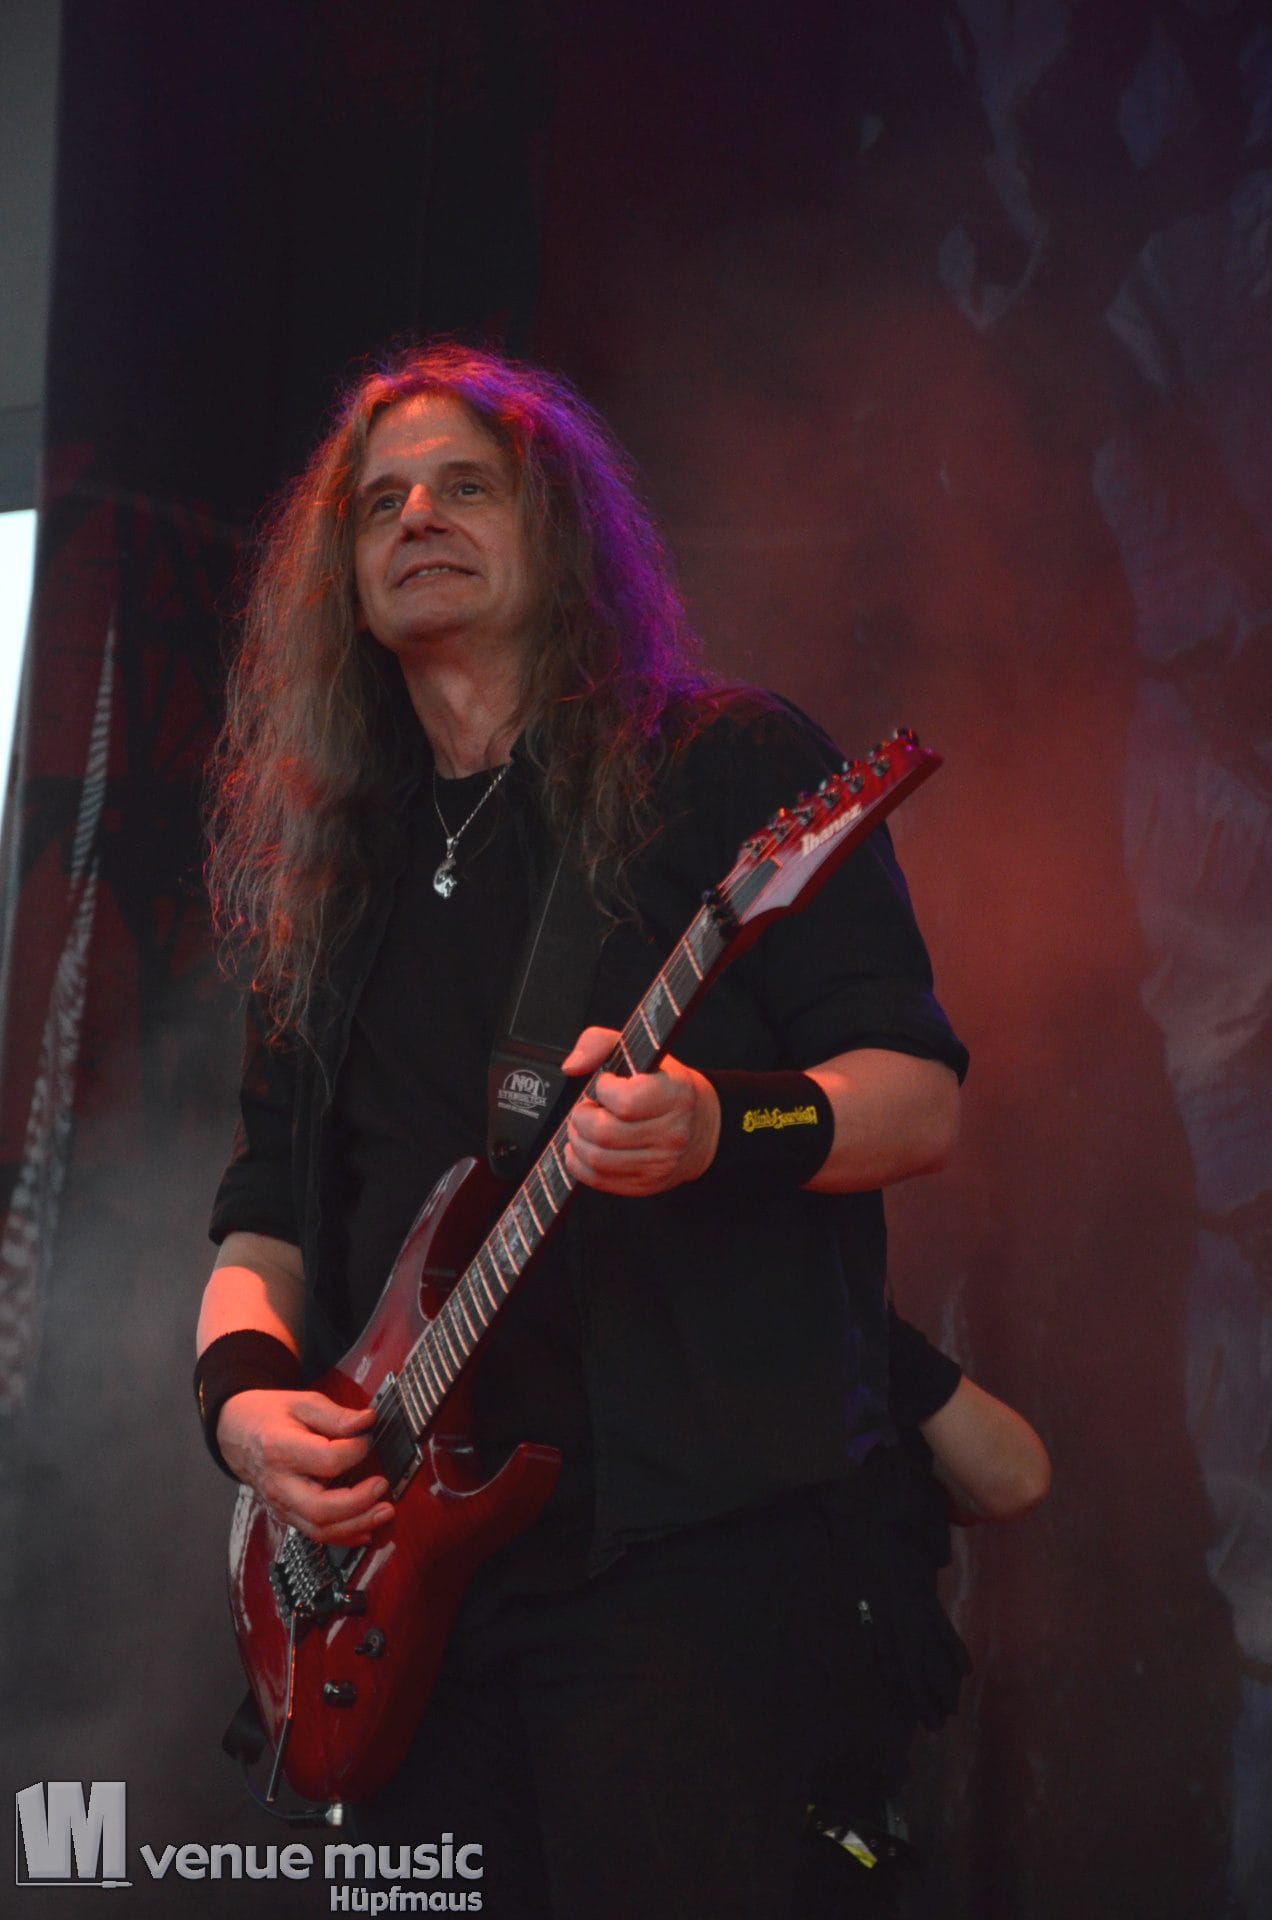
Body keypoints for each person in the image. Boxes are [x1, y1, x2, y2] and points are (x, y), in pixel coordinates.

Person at [195, 341, 969, 1919]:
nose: (418, 517)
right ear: (342, 580)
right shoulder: (332, 870)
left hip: (684, 1570)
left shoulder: (723, 767)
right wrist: (243, 1411)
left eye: (465, 488)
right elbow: (264, 1218)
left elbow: (916, 1097)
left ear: (560, 532)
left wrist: (718, 1126)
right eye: (381, 503)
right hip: (402, 1596)